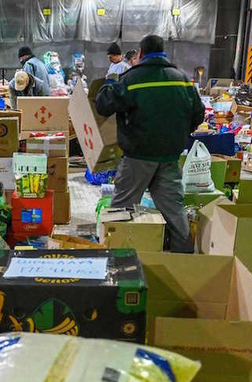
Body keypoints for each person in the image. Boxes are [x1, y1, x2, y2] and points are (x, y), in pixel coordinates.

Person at [96, 34, 204, 253]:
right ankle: (184, 261)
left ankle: (116, 257)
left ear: (141, 53)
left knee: (121, 209)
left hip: (138, 156)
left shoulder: (132, 79)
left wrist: (108, 84)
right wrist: (180, 132)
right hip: (169, 157)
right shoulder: (182, 79)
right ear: (164, 52)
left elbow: (103, 105)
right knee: (174, 210)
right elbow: (198, 114)